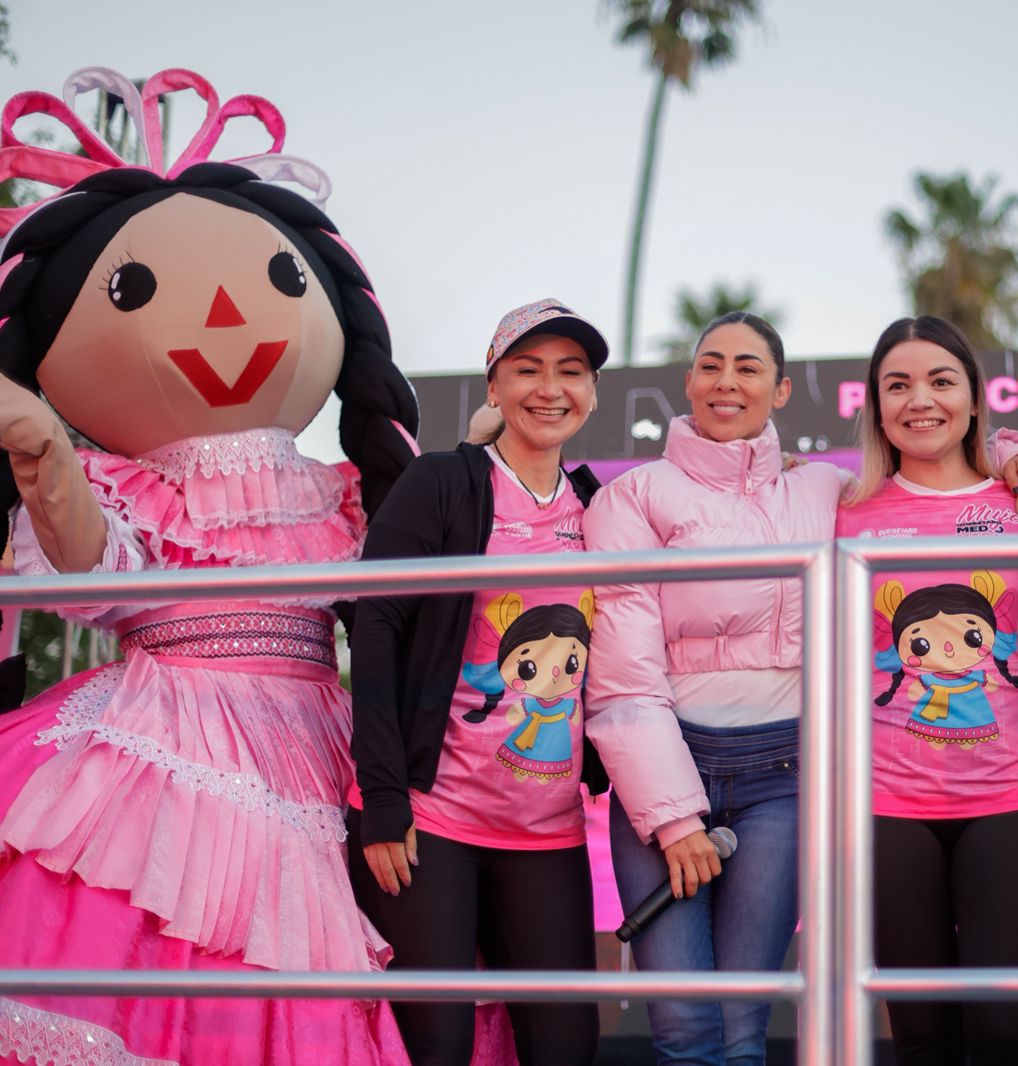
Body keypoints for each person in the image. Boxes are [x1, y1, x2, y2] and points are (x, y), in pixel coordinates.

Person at [0, 69, 415, 1064]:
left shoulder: (346, 490)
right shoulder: (128, 486)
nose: (228, 314)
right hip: (164, 724)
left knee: (290, 945)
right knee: (140, 925)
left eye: (276, 282)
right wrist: (46, 455)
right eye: (136, 292)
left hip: (314, 743)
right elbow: (100, 566)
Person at [583, 311, 1018, 1065]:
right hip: (669, 776)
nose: (727, 380)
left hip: (785, 774)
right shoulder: (633, 498)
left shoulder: (827, 492)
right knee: (681, 1029)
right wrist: (672, 817)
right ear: (689, 380)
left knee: (743, 1029)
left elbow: (936, 453)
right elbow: (622, 676)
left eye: (748, 366)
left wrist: (1012, 451)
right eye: (711, 364)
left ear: (781, 389)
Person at [349, 299, 610, 1066]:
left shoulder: (599, 506)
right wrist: (386, 796)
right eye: (526, 370)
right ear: (492, 388)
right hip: (433, 822)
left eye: (570, 372)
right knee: (438, 1048)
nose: (549, 388)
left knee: (566, 1045)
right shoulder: (443, 481)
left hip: (549, 829)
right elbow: (376, 626)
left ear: (592, 391)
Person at [835, 315, 1018, 1066]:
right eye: (897, 384)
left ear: (972, 398)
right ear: (875, 405)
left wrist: (1017, 452)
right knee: (922, 1034)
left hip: (1010, 795)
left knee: (1001, 1031)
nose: (919, 399)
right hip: (884, 802)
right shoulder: (844, 512)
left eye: (940, 380)